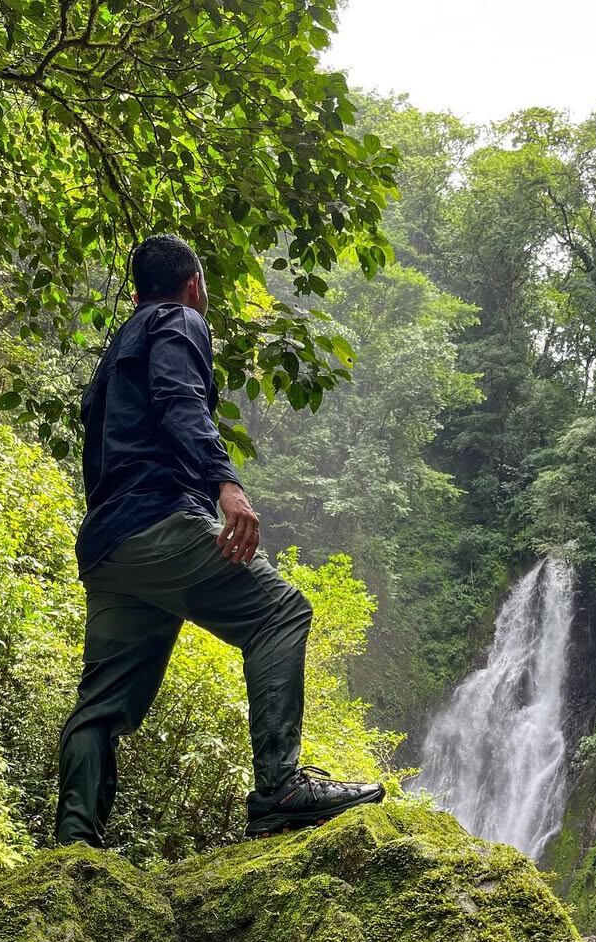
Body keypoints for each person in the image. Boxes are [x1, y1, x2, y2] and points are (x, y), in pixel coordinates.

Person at [55, 233, 385, 847]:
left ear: (134, 293)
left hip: (109, 548)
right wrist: (225, 485)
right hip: (158, 523)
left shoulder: (113, 355)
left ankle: (74, 850)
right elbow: (180, 401)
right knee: (281, 613)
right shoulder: (179, 320)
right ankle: (279, 788)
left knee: (101, 706)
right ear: (193, 285)